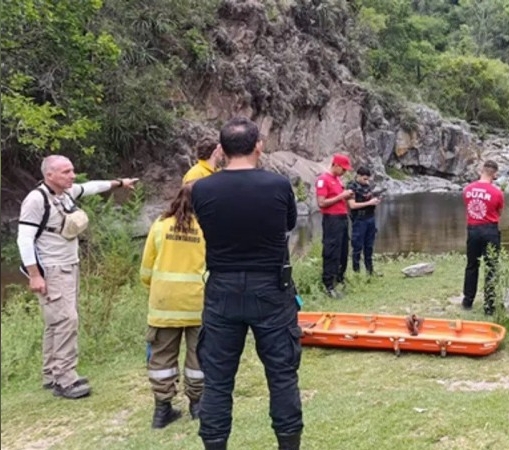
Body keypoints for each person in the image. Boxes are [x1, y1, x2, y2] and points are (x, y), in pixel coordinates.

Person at [191, 117, 302, 450]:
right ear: (259, 146)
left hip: (221, 289)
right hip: (271, 288)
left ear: (221, 151)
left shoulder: (202, 188)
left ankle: (214, 444)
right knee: (281, 375)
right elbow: (289, 224)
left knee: (218, 381)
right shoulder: (278, 185)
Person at [16, 155, 138, 399]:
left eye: (72, 170)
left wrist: (119, 183)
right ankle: (65, 379)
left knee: (56, 321)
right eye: (65, 172)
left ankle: (52, 373)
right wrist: (35, 275)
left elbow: (92, 186)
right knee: (66, 321)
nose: (72, 175)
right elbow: (24, 239)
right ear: (49, 175)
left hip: (69, 265)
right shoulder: (36, 200)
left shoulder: (66, 193)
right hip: (52, 269)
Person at [140, 182, 205, 429]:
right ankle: (197, 406)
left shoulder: (160, 225)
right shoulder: (205, 228)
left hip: (163, 305)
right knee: (199, 355)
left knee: (161, 358)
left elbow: (146, 270)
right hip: (196, 303)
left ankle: (162, 410)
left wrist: (157, 287)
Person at [461, 160, 505, 315]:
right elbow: (498, 212)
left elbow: (468, 207)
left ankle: (467, 300)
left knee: (472, 265)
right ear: (495, 174)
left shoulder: (467, 189)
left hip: (473, 229)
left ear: (481, 170)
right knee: (491, 266)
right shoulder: (497, 192)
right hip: (490, 230)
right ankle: (489, 305)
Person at [315, 153, 354, 298]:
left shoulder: (338, 180)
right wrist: (341, 196)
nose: (344, 172)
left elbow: (339, 199)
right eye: (343, 169)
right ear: (336, 165)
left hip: (342, 218)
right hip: (331, 219)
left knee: (343, 250)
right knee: (331, 250)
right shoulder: (323, 179)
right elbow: (321, 202)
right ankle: (328, 284)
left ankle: (340, 278)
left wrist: (346, 197)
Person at [347, 166, 381, 276]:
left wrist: (375, 201)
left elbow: (369, 198)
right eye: (365, 179)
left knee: (369, 246)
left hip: (370, 218)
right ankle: (356, 273)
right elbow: (352, 205)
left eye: (368, 179)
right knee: (357, 247)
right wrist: (369, 203)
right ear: (358, 176)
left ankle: (370, 271)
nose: (367, 181)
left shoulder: (368, 186)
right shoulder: (351, 187)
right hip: (359, 220)